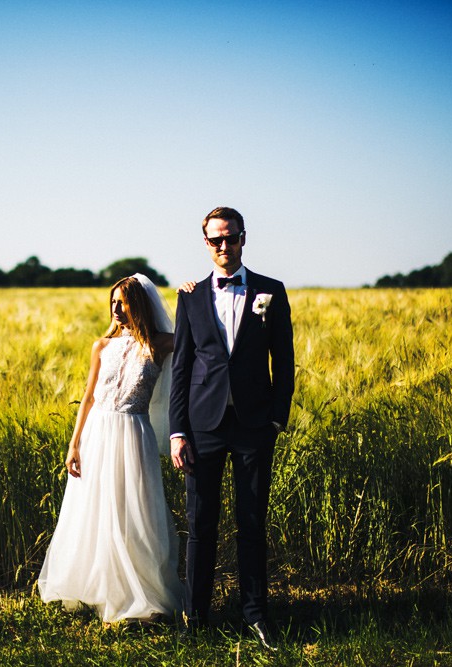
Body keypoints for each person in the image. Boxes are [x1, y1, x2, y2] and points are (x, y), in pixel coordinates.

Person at [169, 206, 295, 651]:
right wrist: (177, 432)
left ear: (244, 237)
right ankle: (195, 616)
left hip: (254, 426)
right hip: (202, 428)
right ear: (206, 243)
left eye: (231, 238)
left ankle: (256, 615)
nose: (224, 246)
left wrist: (277, 417)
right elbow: (181, 368)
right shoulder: (189, 297)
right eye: (216, 240)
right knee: (200, 524)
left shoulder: (271, 292)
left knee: (252, 523)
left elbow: (284, 360)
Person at [37, 274, 183, 624]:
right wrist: (74, 445)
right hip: (97, 433)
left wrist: (190, 299)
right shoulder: (101, 346)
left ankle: (139, 594)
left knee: (134, 511)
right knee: (94, 510)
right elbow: (87, 398)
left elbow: (196, 341)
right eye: (113, 302)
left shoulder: (161, 344)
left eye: (124, 301)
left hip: (133, 433)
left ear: (141, 304)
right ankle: (97, 589)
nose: (117, 309)